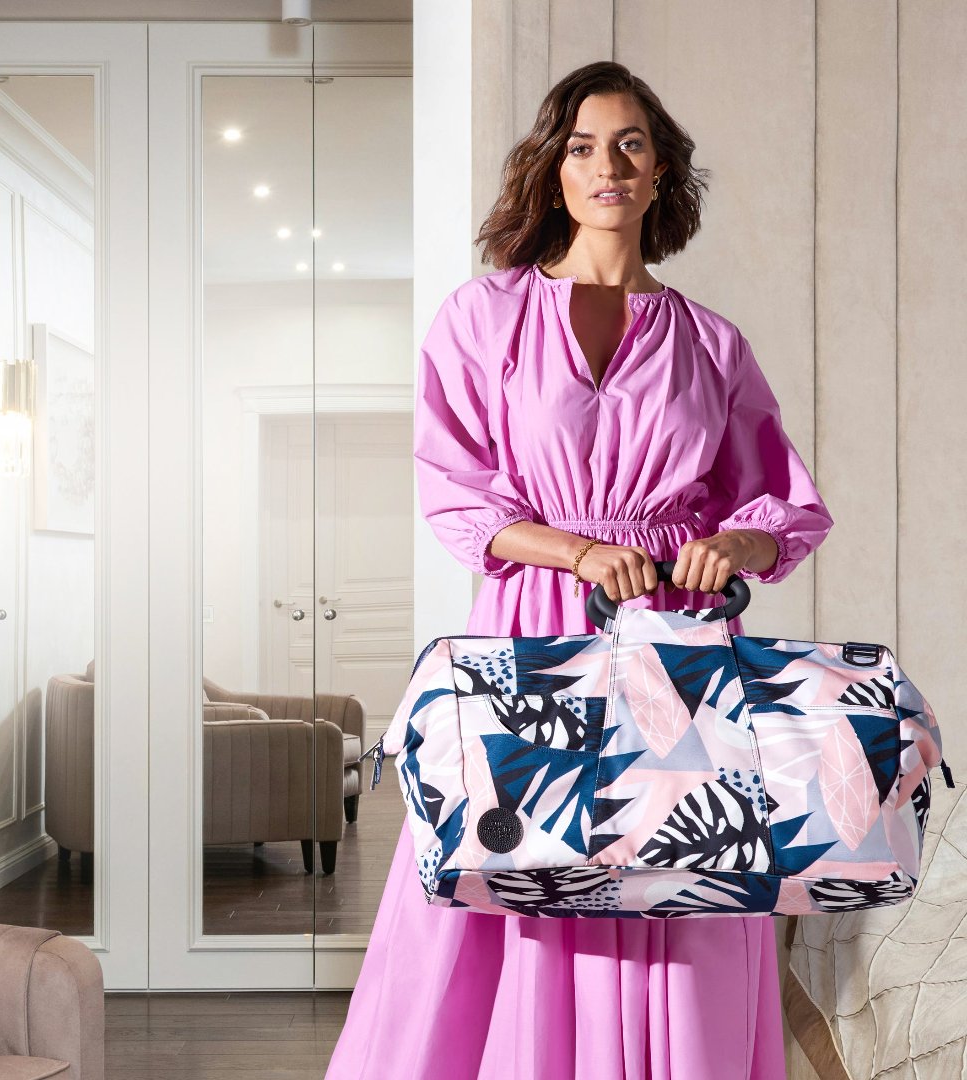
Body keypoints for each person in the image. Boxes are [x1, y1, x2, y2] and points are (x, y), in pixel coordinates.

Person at [325, 60, 834, 1080]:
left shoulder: (709, 343)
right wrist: (579, 550)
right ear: (552, 171)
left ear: (661, 177)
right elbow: (457, 495)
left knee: (683, 881)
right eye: (583, 145)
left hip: (679, 653)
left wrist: (733, 543)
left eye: (632, 145)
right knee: (515, 873)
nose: (608, 165)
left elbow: (785, 506)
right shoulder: (484, 317)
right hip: (532, 634)